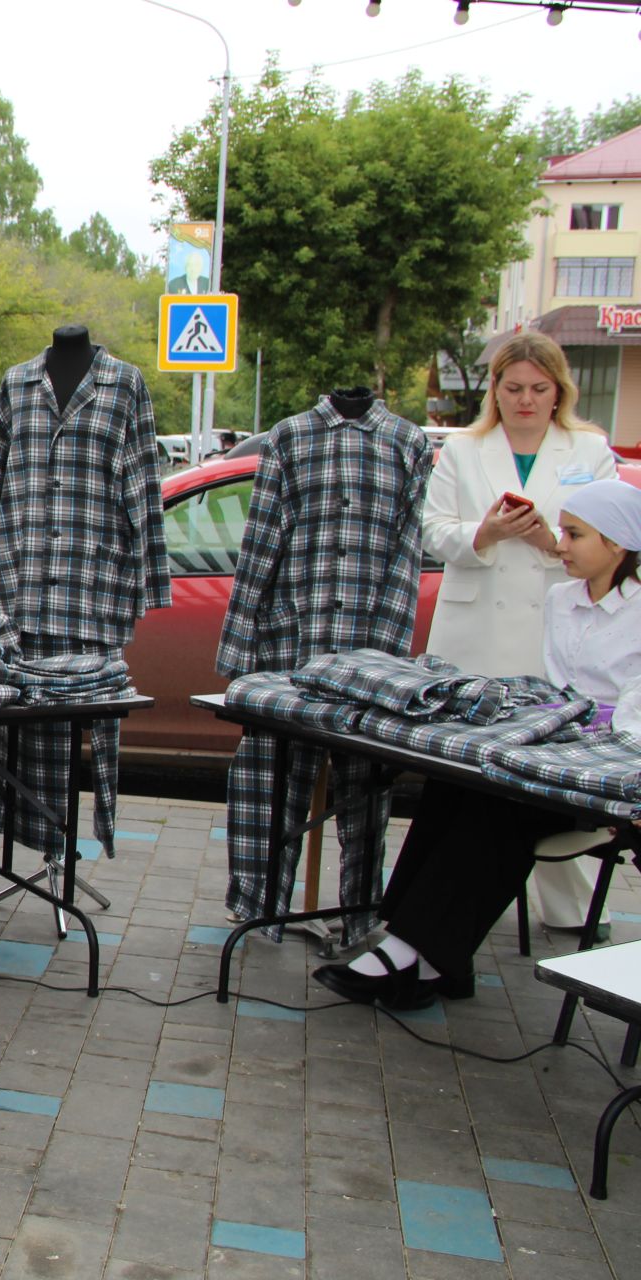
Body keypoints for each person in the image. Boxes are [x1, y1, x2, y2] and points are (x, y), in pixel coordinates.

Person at [315, 479, 641, 1010]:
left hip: (599, 777)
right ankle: (424, 951)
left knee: (500, 807)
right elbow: (559, 690)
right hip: (553, 747)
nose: (560, 545)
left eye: (576, 534)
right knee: (455, 783)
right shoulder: (561, 599)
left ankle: (412, 955)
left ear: (618, 544)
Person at [420, 331, 617, 932]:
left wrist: (550, 543)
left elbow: (608, 539)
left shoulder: (588, 448)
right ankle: (440, 900)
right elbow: (433, 530)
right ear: (495, 392)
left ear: (559, 391)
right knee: (463, 769)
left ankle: (570, 908)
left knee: (553, 764)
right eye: (513, 389)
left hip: (553, 623)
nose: (526, 400)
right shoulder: (462, 449)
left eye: (539, 388)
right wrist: (485, 533)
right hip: (473, 626)